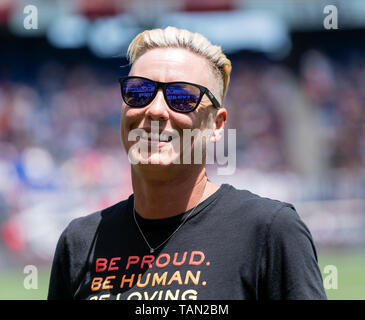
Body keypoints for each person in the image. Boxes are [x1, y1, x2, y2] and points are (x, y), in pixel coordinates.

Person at [48, 26, 327, 300]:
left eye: (182, 98)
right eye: (139, 91)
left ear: (217, 125)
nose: (155, 110)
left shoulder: (269, 231)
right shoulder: (79, 242)